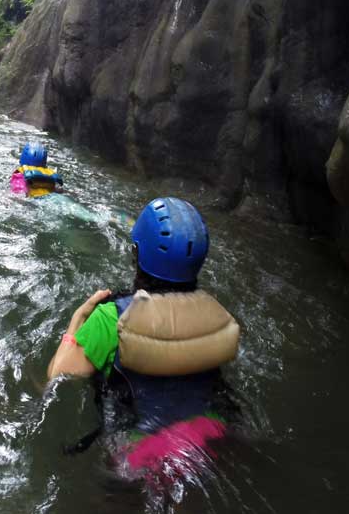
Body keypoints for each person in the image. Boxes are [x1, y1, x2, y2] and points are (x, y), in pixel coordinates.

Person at [46, 197, 240, 481]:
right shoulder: (215, 314)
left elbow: (59, 376)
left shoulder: (111, 317)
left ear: (137, 253)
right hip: (215, 433)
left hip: (143, 451)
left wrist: (77, 320)